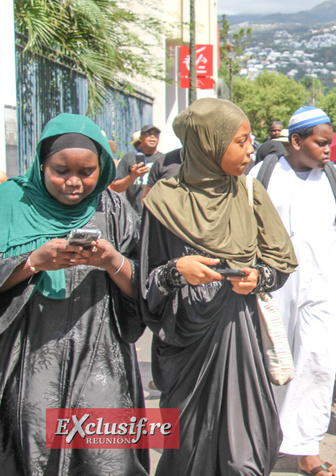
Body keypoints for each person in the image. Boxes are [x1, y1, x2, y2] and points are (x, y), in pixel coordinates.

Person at [140, 98, 297, 475]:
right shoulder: (162, 200)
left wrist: (259, 277)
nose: (249, 149)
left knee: (248, 451)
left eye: (249, 140)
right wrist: (178, 271)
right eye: (240, 141)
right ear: (208, 144)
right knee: (190, 450)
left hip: (239, 334)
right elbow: (147, 285)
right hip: (185, 347)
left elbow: (281, 262)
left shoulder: (248, 193)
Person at [0, 113, 147, 474]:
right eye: (61, 170)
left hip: (102, 359)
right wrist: (34, 262)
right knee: (34, 451)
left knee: (107, 457)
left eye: (86, 172)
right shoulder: (11, 201)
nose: (74, 182)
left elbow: (144, 284)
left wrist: (112, 260)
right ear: (41, 164)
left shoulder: (112, 209)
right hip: (30, 358)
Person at [249, 106, 336, 476]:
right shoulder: (264, 173)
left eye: (329, 143)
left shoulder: (335, 177)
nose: (327, 150)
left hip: (325, 286)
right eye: (320, 143)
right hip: (275, 288)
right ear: (296, 141)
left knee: (318, 364)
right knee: (275, 362)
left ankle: (307, 448)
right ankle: (267, 441)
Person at [112, 124, 164, 216]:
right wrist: (132, 176)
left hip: (157, 215)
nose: (152, 136)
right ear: (141, 138)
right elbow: (116, 188)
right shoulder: (129, 157)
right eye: (148, 133)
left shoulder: (164, 160)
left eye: (155, 134)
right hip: (134, 214)